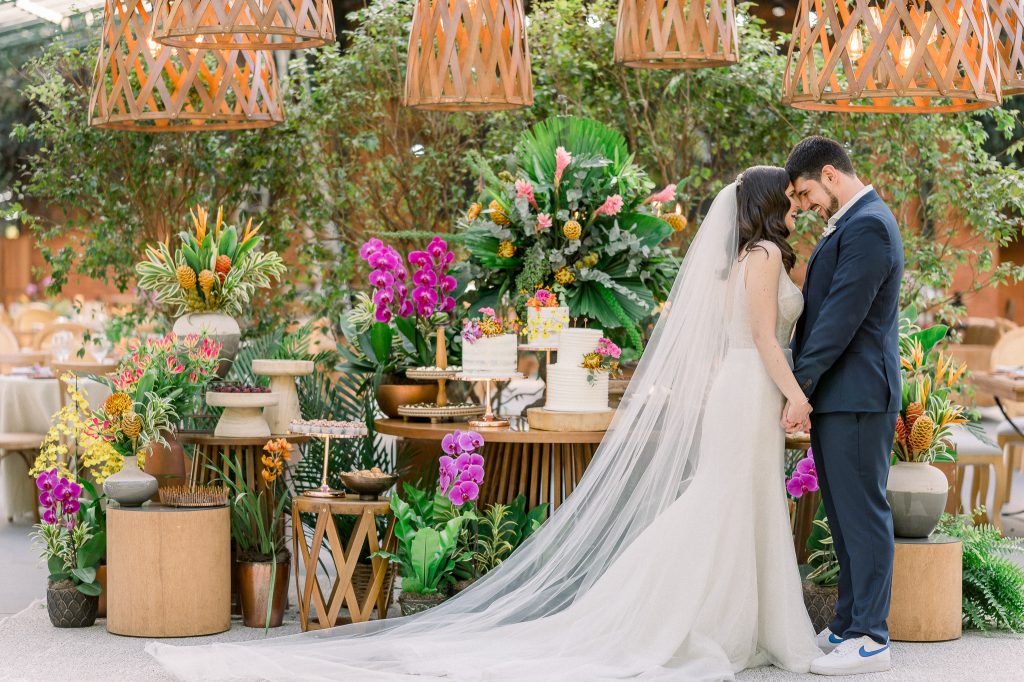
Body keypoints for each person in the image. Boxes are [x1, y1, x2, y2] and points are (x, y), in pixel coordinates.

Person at [148, 167, 823, 681]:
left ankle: (731, 616)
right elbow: (763, 339)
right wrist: (796, 395)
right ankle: (706, 618)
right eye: (789, 200)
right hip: (752, 389)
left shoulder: (741, 260)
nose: (796, 208)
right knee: (727, 503)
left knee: (735, 503)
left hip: (742, 392)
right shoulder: (765, 258)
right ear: (768, 205)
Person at [784, 136, 904, 676]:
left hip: (858, 395)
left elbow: (839, 319)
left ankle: (872, 636)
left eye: (806, 193)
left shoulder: (870, 226)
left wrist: (798, 387)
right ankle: (848, 622)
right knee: (842, 514)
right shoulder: (851, 223)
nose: (805, 205)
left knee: (863, 514)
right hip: (840, 395)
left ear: (830, 175)